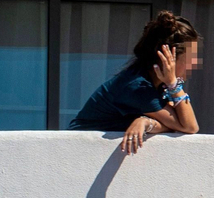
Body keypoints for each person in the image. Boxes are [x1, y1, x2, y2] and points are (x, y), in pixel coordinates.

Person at [68, 11, 201, 155]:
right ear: (168, 58)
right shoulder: (137, 86)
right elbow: (189, 126)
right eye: (190, 57)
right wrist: (173, 84)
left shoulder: (155, 84)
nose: (194, 63)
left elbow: (174, 124)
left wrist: (146, 122)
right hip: (79, 152)